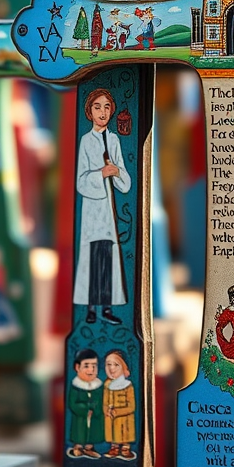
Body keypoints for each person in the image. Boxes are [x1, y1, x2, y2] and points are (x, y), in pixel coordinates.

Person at [74, 88, 131, 324]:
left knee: (107, 254)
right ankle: (90, 307)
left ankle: (106, 307)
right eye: (97, 107)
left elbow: (125, 184)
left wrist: (116, 171)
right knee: (92, 255)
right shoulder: (86, 141)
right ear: (89, 111)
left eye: (107, 107)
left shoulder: (114, 140)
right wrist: (100, 174)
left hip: (107, 209)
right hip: (92, 209)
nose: (103, 112)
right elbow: (80, 180)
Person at [67, 348, 105, 458]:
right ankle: (78, 447)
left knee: (93, 431)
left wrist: (96, 408)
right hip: (81, 417)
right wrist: (86, 408)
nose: (91, 370)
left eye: (94, 366)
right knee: (79, 431)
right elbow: (73, 403)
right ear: (77, 367)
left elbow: (101, 401)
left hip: (94, 417)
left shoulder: (98, 386)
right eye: (86, 366)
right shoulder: (76, 386)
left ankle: (89, 448)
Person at [103, 349, 136, 460]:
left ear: (123, 366)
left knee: (123, 433)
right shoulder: (107, 385)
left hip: (124, 419)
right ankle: (114, 448)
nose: (112, 368)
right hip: (111, 418)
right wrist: (106, 410)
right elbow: (105, 402)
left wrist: (118, 412)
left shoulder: (128, 385)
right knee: (113, 433)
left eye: (116, 364)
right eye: (109, 365)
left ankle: (125, 448)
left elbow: (132, 406)